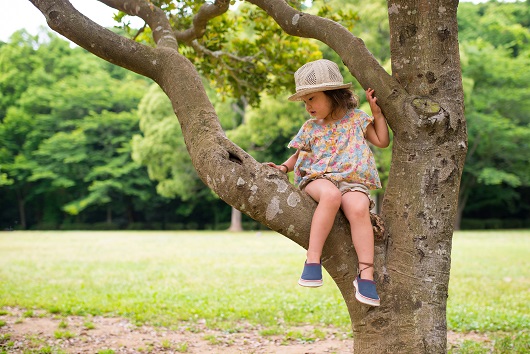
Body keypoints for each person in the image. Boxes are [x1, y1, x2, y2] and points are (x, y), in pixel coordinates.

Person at [267, 59, 389, 306]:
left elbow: (382, 140)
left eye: (312, 98)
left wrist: (377, 114)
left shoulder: (356, 119)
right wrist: (283, 168)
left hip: (351, 181)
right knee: (331, 196)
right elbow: (298, 154)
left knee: (358, 208)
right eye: (305, 101)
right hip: (316, 178)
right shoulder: (311, 127)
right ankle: (313, 259)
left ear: (333, 95)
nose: (307, 106)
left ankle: (366, 275)